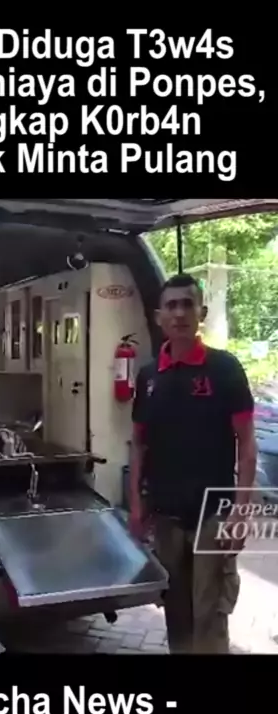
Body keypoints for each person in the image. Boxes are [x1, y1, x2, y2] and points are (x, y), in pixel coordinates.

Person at [130, 274, 257, 654]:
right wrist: (136, 505)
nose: (179, 313)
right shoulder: (149, 377)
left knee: (209, 616)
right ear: (158, 317)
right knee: (176, 613)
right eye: (171, 305)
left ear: (201, 312)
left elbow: (247, 445)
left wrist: (240, 513)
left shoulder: (224, 369)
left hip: (212, 516)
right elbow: (138, 446)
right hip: (166, 517)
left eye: (187, 304)